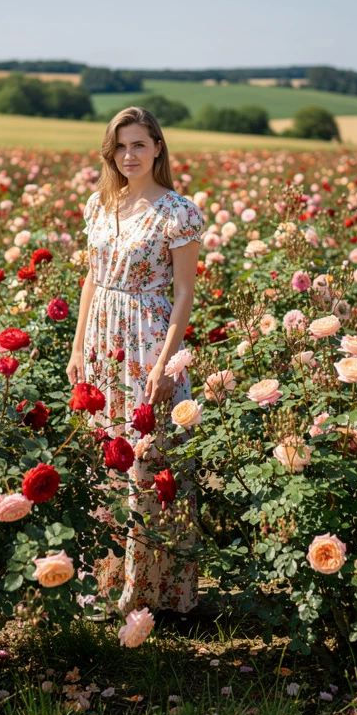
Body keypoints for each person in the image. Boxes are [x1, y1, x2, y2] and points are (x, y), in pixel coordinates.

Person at [67, 106, 204, 615]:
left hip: (149, 338)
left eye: (139, 144)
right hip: (103, 341)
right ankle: (104, 584)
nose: (129, 154)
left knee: (150, 460)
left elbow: (185, 293)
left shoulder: (177, 211)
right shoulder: (99, 205)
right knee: (106, 459)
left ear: (158, 148)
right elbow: (91, 280)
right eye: (121, 145)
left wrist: (166, 363)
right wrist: (79, 347)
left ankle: (154, 592)